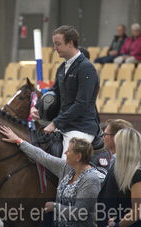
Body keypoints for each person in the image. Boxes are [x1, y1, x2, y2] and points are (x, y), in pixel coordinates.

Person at [0, 125, 103, 227]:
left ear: (78, 156)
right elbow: (42, 156)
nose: (65, 152)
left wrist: (55, 206)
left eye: (69, 151)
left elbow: (81, 212)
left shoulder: (90, 179)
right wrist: (19, 141)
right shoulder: (66, 168)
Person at [30, 25, 100, 159]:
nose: (55, 48)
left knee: (67, 164)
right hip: (64, 124)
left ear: (70, 43)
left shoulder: (86, 68)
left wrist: (56, 123)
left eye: (58, 44)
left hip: (80, 127)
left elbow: (82, 103)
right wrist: (37, 106)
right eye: (54, 44)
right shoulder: (62, 67)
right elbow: (54, 90)